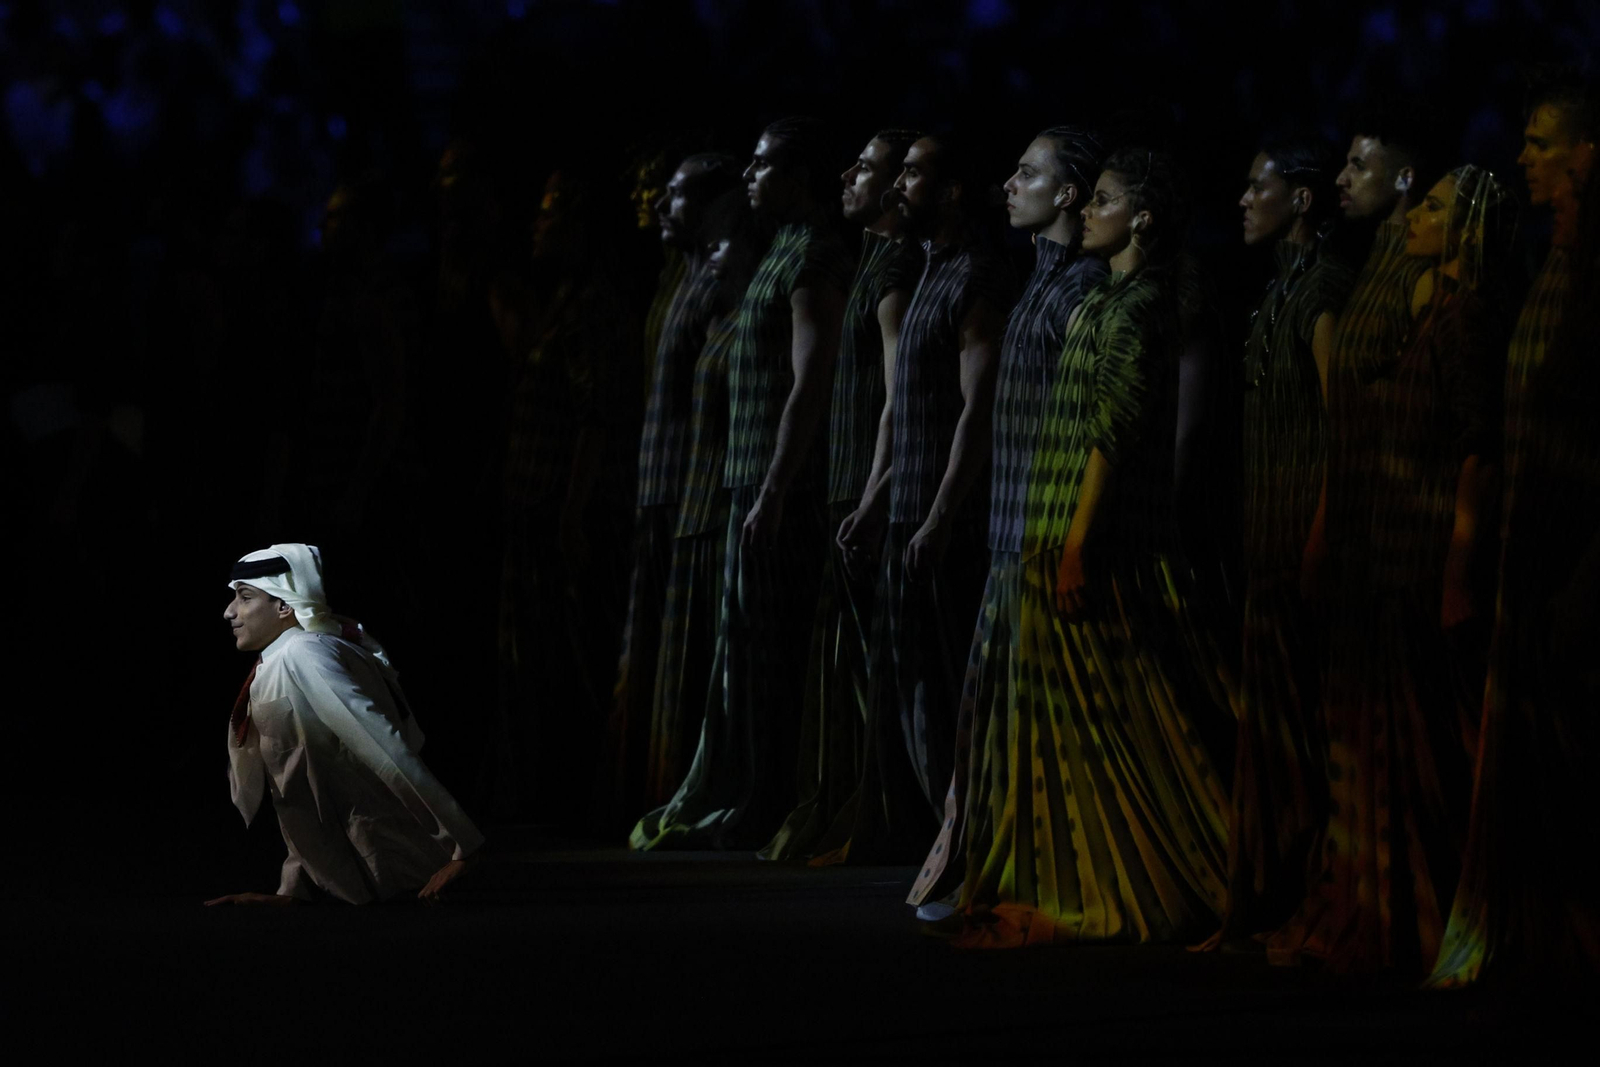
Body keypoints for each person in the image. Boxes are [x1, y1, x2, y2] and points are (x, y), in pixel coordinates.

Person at [925, 149, 1232, 948]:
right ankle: (1074, 870)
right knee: (1079, 730)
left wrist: (1076, 546)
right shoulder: (1110, 299)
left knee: (1123, 726)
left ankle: (1161, 876)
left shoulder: (1134, 308)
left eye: (1102, 200)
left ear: (1142, 219)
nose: (1087, 212)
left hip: (1090, 540)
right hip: (1052, 527)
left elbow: (1112, 433)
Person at [1268, 166, 1513, 974]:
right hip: (1386, 548)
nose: (1418, 218)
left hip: (1421, 553)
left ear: (1468, 227)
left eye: (1435, 209)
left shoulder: (1468, 319)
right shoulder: (1427, 310)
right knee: (1385, 741)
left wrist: (1456, 567)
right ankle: (1390, 909)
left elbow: (1477, 449)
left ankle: (1423, 914)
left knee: (1422, 744)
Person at [631, 118, 852, 850]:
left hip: (772, 480)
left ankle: (761, 796)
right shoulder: (779, 250)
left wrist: (776, 487)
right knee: (744, 647)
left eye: (764, 168)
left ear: (798, 178)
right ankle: (743, 791)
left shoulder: (814, 253)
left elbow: (810, 377)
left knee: (766, 647)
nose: (751, 179)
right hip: (744, 476)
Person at [908, 125, 1110, 913]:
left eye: (1028, 173)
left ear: (1066, 194)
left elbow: (1098, 428)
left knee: (1044, 728)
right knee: (998, 724)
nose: (1009, 184)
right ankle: (997, 862)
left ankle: (1043, 870)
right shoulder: (1041, 284)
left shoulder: (1082, 290)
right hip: (1008, 536)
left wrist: (1065, 542)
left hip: (1041, 540)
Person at [1431, 73, 1600, 988]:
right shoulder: (1553, 271)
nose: (1525, 160)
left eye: (1542, 144)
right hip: (1533, 557)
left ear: (1587, 155)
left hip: (1574, 562)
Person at [813, 133, 1011, 864]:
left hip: (943, 525)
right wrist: (876, 501)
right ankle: (949, 840)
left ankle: (975, 846)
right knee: (911, 691)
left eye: (915, 173)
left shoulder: (977, 277)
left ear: (953, 189)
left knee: (946, 692)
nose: (898, 185)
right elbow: (903, 409)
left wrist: (938, 513)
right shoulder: (931, 267)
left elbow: (977, 408)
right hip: (908, 517)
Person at [1197, 133, 1355, 949]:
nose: (1242, 199)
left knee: (1304, 736)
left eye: (1257, 185)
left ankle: (1310, 903)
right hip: (1266, 546)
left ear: (1299, 199)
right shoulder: (1276, 294)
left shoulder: (1325, 288)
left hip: (1301, 550)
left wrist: (1322, 537)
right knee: (1271, 737)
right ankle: (1267, 903)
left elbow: (1343, 423)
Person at [762, 128, 921, 861]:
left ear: (896, 189)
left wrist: (877, 489)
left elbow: (899, 399)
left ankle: (886, 816)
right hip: (850, 490)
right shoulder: (870, 265)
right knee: (851, 669)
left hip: (869, 495)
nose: (847, 172)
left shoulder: (891, 272)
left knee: (875, 669)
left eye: (866, 165)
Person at [210, 545, 483, 906]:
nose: (230, 611)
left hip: (404, 883)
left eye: (245, 597)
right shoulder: (279, 661)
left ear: (284, 605)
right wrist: (292, 891)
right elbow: (301, 784)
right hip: (356, 892)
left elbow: (381, 745)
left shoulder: (304, 654)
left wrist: (462, 846)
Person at [607, 153, 743, 828]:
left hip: (692, 492)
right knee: (652, 651)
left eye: (678, 195)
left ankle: (677, 785)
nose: (661, 204)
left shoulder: (721, 279)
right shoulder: (680, 278)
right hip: (659, 488)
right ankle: (645, 785)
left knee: (682, 653)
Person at [495, 168, 632, 819]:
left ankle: (575, 795)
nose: (537, 227)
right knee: (533, 655)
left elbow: (597, 411)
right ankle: (545, 789)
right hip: (532, 505)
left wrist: (573, 512)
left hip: (557, 510)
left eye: (550, 216)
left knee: (568, 655)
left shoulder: (591, 306)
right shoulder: (556, 301)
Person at [643, 190, 772, 813]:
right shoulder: (721, 323)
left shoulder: (751, 322)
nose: (714, 259)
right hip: (698, 494)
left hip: (726, 497)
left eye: (725, 246)